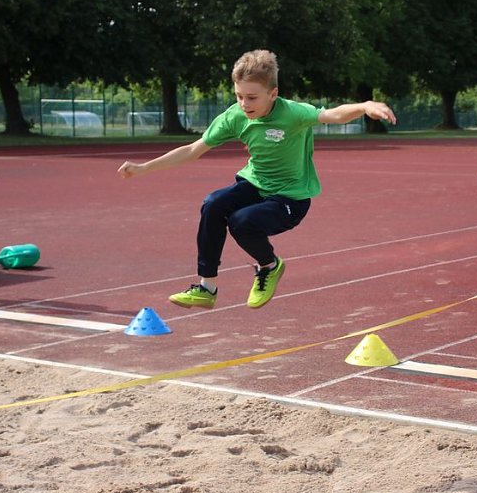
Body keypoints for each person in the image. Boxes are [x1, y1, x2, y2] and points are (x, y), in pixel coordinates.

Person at [118, 49, 397, 310]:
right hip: (254, 184)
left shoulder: (293, 113)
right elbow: (193, 150)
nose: (244, 104)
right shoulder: (235, 116)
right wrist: (143, 168)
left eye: (252, 98)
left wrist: (364, 105)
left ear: (273, 93)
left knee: (243, 222)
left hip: (290, 197)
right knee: (213, 204)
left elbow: (332, 115)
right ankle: (207, 288)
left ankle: (269, 266)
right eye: (239, 95)